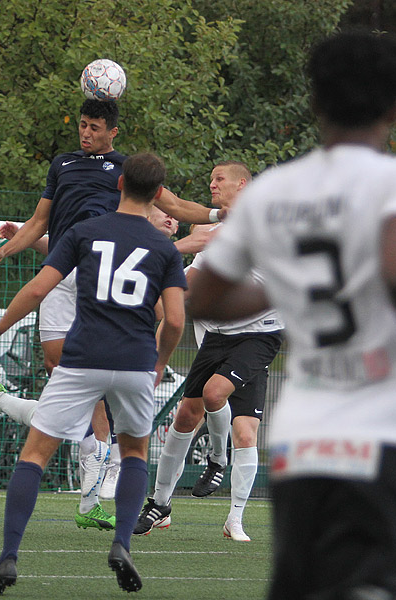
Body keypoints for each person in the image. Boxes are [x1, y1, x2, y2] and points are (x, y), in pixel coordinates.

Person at [187, 32, 396, 599]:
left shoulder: (274, 191)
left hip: (307, 435)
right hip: (386, 428)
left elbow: (204, 298)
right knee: (368, 587)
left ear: (316, 104)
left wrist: (290, 287)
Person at [0, 99, 216, 528]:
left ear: (112, 132)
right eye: (82, 125)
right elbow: (38, 222)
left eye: (94, 127)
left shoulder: (125, 172)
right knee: (60, 367)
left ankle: (95, 485)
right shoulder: (62, 164)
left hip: (96, 277)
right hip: (59, 268)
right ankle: (11, 406)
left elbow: (177, 207)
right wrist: (5, 249)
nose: (86, 133)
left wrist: (219, 213)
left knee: (83, 378)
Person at [0, 152, 186, 594]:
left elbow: (37, 289)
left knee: (34, 455)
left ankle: (9, 556)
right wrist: (159, 362)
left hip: (83, 356)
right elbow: (177, 320)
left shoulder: (84, 232)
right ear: (159, 195)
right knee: (134, 456)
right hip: (134, 363)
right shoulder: (164, 248)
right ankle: (122, 543)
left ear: (120, 182)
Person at [0, 209, 184, 502]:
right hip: (67, 293)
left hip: (116, 340)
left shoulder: (161, 254)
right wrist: (22, 241)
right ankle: (101, 466)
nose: (171, 219)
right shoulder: (110, 221)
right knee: (62, 370)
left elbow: (168, 315)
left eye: (175, 217)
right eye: (164, 212)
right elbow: (68, 249)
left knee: (81, 404)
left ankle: (103, 471)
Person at [134, 161, 284, 542]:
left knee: (226, 406)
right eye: (211, 179)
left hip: (259, 336)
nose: (212, 185)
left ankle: (230, 500)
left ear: (242, 184)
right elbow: (187, 287)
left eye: (220, 179)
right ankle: (160, 504)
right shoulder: (221, 232)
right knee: (186, 416)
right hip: (218, 337)